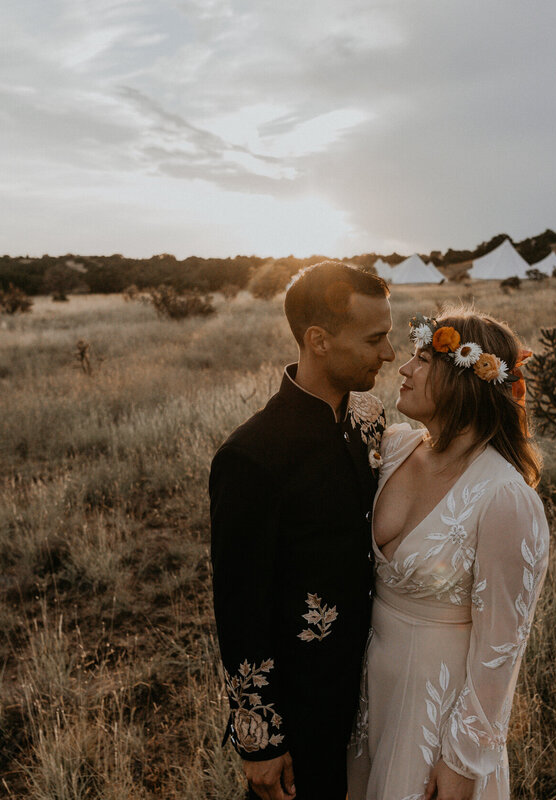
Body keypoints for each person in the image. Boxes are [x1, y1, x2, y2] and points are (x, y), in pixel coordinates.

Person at [210, 261, 395, 800]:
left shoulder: (370, 419)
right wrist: (259, 740)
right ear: (318, 340)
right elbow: (240, 604)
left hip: (377, 687)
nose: (388, 353)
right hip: (303, 704)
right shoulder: (251, 457)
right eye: (375, 338)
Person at [348, 309, 549, 800]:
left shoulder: (505, 497)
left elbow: (502, 647)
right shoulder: (393, 449)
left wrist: (462, 758)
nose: (404, 368)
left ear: (466, 377)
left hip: (436, 706)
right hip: (370, 689)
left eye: (421, 358)